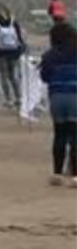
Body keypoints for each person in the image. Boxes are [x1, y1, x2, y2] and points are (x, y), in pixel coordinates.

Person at [37, 20, 77, 185]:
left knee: (59, 134)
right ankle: (75, 175)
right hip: (75, 95)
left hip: (56, 97)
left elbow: (44, 77)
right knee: (75, 136)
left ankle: (57, 173)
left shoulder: (49, 55)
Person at [0, 3, 26, 108]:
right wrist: (22, 49)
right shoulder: (13, 21)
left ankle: (8, 99)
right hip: (14, 52)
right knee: (13, 75)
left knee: (3, 76)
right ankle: (19, 97)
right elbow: (19, 37)